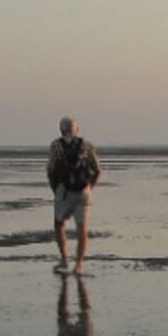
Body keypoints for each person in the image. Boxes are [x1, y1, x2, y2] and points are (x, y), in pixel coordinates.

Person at [47, 116, 102, 275]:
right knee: (82, 230)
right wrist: (89, 188)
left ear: (61, 129)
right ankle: (78, 265)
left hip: (63, 191)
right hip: (84, 191)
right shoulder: (87, 145)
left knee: (59, 225)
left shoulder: (56, 145)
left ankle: (64, 260)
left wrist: (55, 190)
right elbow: (98, 170)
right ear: (77, 130)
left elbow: (51, 171)